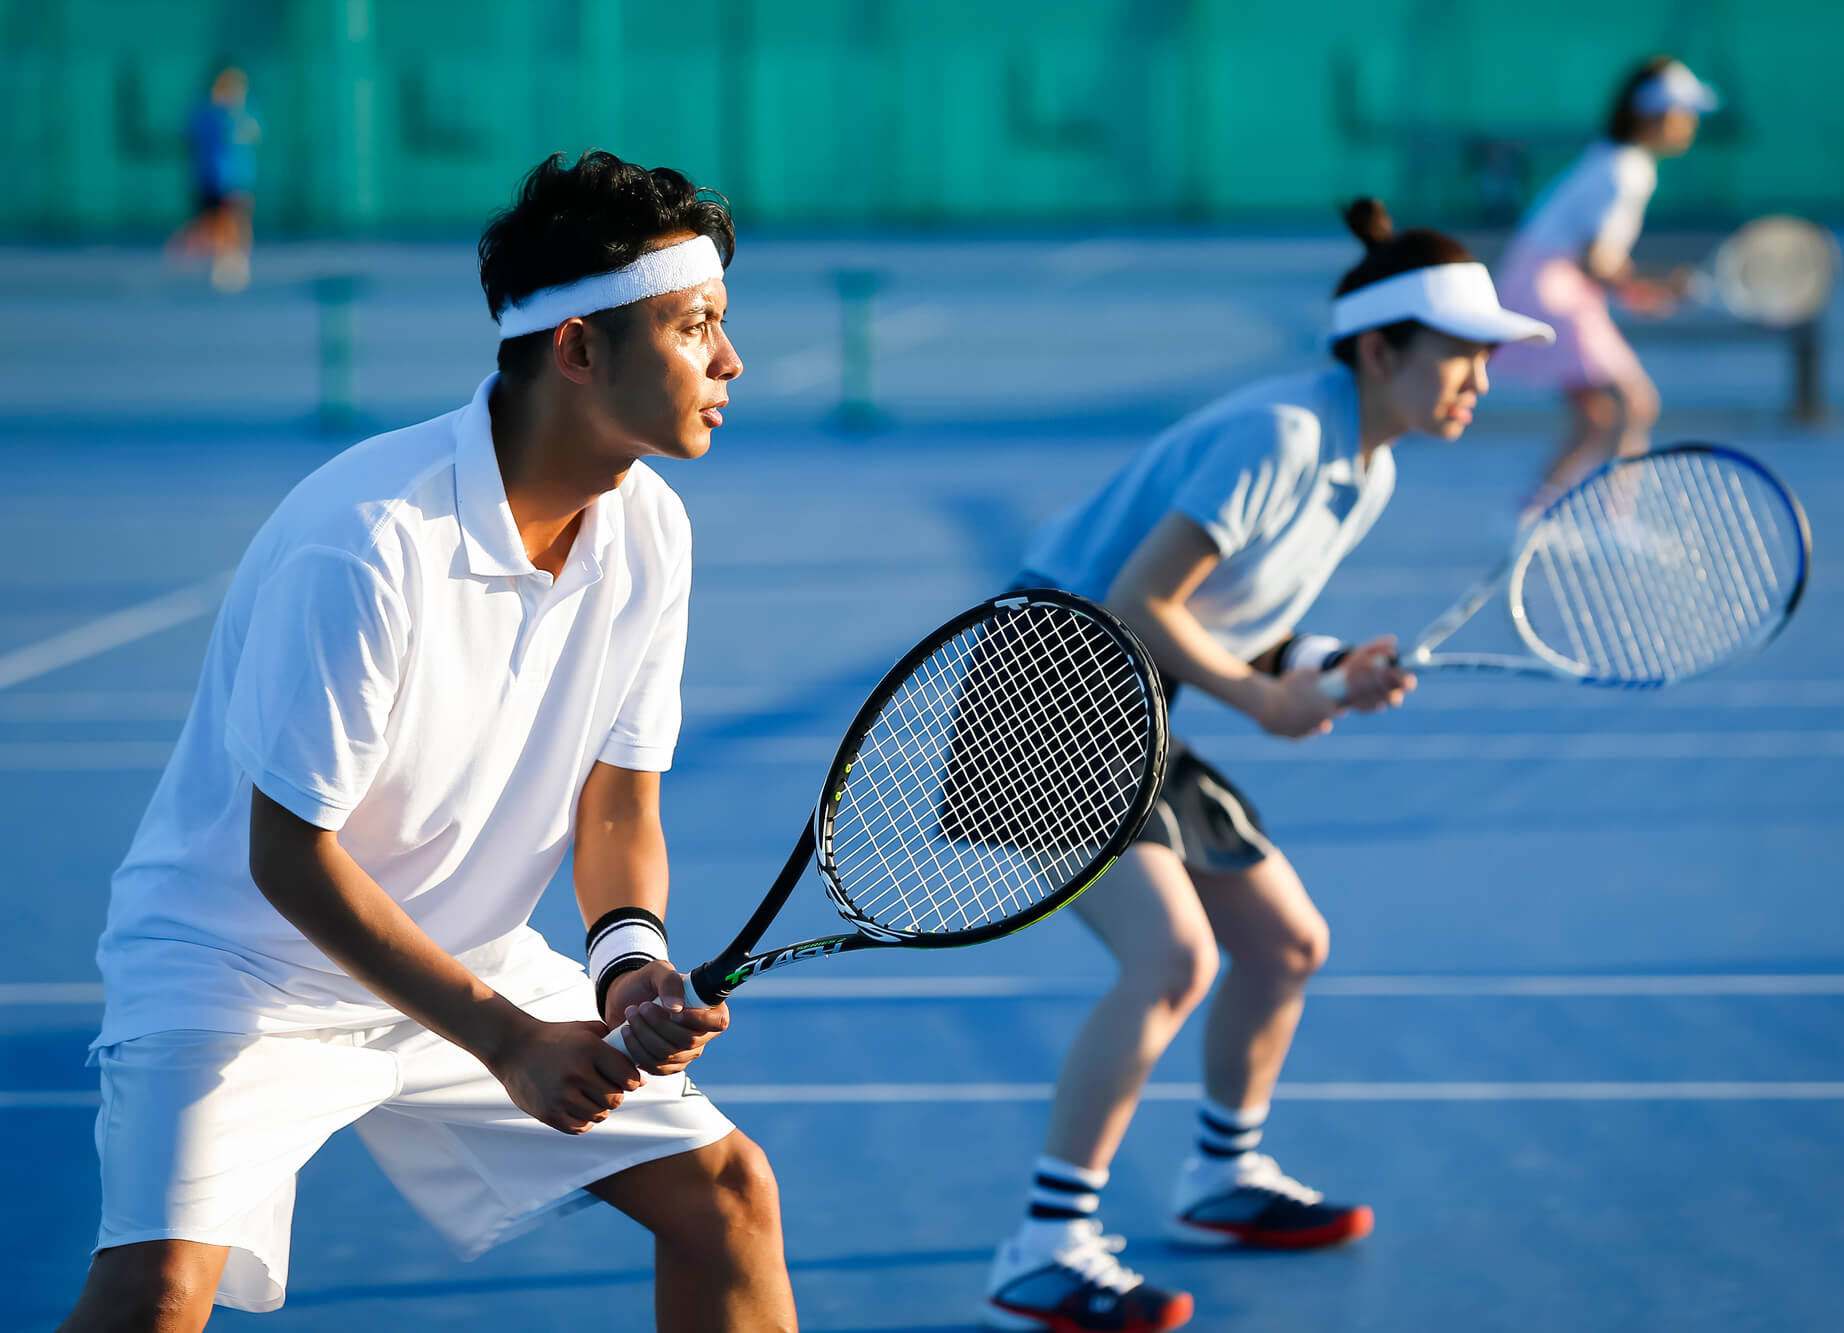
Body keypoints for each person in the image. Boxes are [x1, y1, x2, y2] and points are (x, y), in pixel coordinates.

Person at [59, 151, 797, 1331]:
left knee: (727, 1195)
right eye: (694, 325)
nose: (729, 362)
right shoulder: (365, 542)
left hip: (469, 956)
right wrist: (508, 1039)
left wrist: (624, 964)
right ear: (577, 349)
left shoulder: (651, 528)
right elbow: (289, 858)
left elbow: (615, 804)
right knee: (154, 1295)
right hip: (243, 971)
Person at [981, 199, 1555, 1332]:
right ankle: (1041, 1246)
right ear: (1379, 351)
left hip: (1134, 698)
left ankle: (1220, 1177)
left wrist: (1329, 666)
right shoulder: (1283, 434)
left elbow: (1231, 625)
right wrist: (1267, 702)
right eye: (1459, 359)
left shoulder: (1366, 465)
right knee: (1170, 960)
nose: (1478, 383)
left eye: (1487, 361)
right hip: (1043, 688)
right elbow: (1136, 600)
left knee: (1284, 943)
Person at [1494, 57, 1722, 519]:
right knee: (1633, 402)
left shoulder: (1611, 158)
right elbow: (1598, 262)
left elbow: (1594, 261)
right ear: (1652, 115)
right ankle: (1614, 522)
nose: (1690, 123)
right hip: (1551, 287)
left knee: (1595, 416)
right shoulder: (1627, 171)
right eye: (1683, 111)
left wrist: (1640, 288)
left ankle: (1529, 519)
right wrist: (1654, 284)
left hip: (1542, 281)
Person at [168, 66, 262, 292]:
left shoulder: (245, 113)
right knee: (214, 222)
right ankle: (213, 254)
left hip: (238, 179)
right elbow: (193, 137)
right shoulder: (205, 113)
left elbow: (253, 134)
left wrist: (235, 116)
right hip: (209, 178)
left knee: (235, 219)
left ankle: (234, 261)